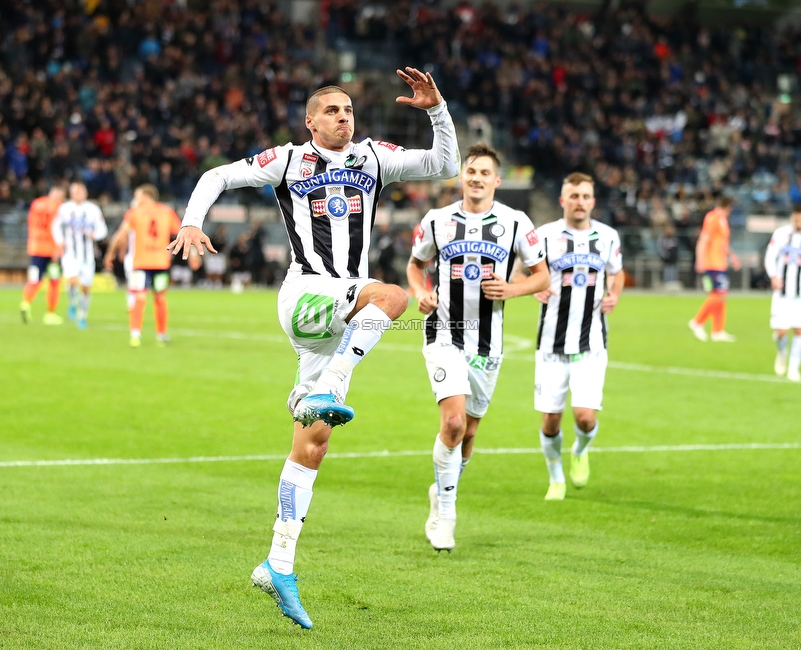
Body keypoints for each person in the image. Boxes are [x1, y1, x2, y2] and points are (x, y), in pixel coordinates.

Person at [167, 68, 459, 629]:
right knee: (393, 295)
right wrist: (190, 222)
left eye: (349, 110)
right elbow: (216, 176)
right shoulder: (287, 160)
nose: (343, 118)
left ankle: (277, 562)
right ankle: (333, 387)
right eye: (332, 111)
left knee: (314, 442)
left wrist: (436, 110)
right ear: (310, 122)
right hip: (305, 293)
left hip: (337, 316)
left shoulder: (373, 157)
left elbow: (441, 164)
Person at [407, 143, 549, 549]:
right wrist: (420, 292)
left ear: (496, 181)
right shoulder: (437, 220)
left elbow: (542, 276)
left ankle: (442, 490)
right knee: (451, 424)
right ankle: (447, 518)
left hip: (488, 341)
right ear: (461, 177)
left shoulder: (517, 223)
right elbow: (415, 266)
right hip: (443, 333)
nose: (476, 178)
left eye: (484, 173)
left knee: (467, 435)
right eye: (470, 171)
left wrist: (514, 288)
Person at [531, 173, 624, 500]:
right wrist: (534, 290)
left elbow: (617, 272)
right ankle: (555, 477)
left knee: (585, 419)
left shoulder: (607, 237)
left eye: (585, 196)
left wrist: (614, 294)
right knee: (551, 421)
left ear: (593, 201)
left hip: (591, 343)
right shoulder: (544, 235)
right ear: (563, 200)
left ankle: (580, 451)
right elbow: (524, 271)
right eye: (574, 196)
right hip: (552, 343)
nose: (580, 201)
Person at [104, 184, 181, 347]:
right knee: (160, 298)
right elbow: (181, 232)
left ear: (146, 196)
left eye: (138, 196)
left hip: (140, 263)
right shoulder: (167, 212)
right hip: (161, 262)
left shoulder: (135, 212)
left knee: (139, 298)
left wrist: (110, 253)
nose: (136, 199)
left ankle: (135, 335)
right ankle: (161, 335)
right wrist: (194, 253)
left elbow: (120, 234)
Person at [764, 205, 801, 382]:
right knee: (781, 331)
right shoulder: (781, 234)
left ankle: (794, 368)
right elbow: (770, 257)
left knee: (799, 329)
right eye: (797, 220)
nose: (800, 223)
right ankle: (782, 353)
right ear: (792, 218)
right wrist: (773, 275)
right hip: (782, 293)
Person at [52, 182, 107, 329]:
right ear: (71, 194)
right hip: (70, 254)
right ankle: (72, 302)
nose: (78, 194)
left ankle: (82, 316)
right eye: (75, 192)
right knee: (72, 280)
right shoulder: (64, 209)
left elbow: (102, 229)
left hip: (88, 256)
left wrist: (95, 235)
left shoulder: (93, 209)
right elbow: (56, 226)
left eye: (81, 191)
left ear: (86, 193)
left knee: (85, 287)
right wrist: (60, 241)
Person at [688, 196, 741, 342]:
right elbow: (704, 239)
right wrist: (700, 260)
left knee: (721, 296)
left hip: (720, 262)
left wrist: (732, 257)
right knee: (717, 295)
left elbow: (722, 244)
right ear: (727, 206)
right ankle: (697, 322)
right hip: (711, 263)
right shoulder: (713, 218)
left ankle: (717, 331)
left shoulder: (723, 220)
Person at [20, 184, 66, 325]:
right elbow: (57, 229)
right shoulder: (59, 208)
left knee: (34, 279)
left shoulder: (36, 204)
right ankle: (50, 314)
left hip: (35, 248)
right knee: (54, 281)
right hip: (52, 251)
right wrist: (58, 249)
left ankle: (25, 304)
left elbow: (30, 222)